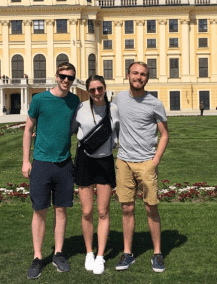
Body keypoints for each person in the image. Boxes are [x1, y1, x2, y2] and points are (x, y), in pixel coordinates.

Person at [22, 62, 80, 280]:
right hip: (42, 163)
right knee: (39, 210)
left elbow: (79, 126)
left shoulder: (75, 101)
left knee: (61, 210)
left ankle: (58, 253)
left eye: (70, 78)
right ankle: (38, 257)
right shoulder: (39, 99)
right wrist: (25, 160)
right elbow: (28, 129)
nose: (66, 80)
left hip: (65, 163)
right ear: (56, 76)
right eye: (63, 76)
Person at [112, 62, 169, 273]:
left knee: (151, 208)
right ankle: (127, 253)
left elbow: (164, 134)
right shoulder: (118, 99)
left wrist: (155, 161)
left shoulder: (155, 103)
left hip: (146, 162)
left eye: (143, 74)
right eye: (135, 73)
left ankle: (157, 253)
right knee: (126, 208)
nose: (139, 77)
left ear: (147, 78)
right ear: (128, 75)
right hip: (124, 161)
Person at [71, 75, 119, 275]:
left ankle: (100, 256)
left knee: (103, 212)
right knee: (86, 211)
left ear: (105, 88)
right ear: (88, 91)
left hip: (105, 160)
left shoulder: (114, 109)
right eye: (93, 90)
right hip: (85, 160)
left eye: (100, 89)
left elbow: (119, 135)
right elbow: (72, 131)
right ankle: (89, 252)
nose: (97, 93)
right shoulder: (80, 108)